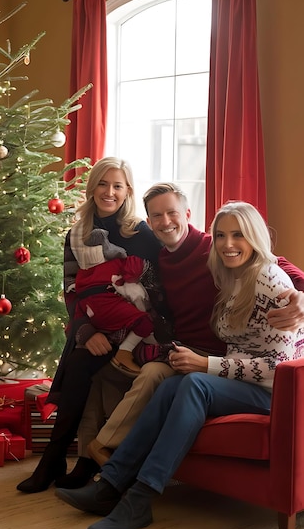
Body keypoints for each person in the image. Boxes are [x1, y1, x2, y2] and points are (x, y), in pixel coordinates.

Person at [56, 201, 304, 529]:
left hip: (275, 393)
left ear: (255, 237)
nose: (228, 244)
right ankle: (111, 484)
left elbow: (278, 370)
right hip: (243, 382)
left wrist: (206, 364)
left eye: (238, 235)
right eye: (221, 235)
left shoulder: (269, 280)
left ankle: (140, 499)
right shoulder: (230, 274)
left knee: (194, 384)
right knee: (171, 386)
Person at [77, 183, 304, 469]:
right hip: (184, 347)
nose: (166, 222)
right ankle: (100, 455)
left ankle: (108, 452)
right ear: (150, 223)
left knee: (152, 375)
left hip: (220, 353)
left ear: (187, 213)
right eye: (157, 216)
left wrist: (302, 296)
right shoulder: (159, 259)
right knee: (117, 370)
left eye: (172, 213)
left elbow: (274, 263)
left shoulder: (217, 247)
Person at [16, 157, 165, 493]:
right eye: (103, 183)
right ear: (92, 186)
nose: (109, 192)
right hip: (94, 323)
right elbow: (71, 289)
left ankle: (74, 460)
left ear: (127, 191)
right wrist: (87, 330)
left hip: (137, 327)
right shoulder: (77, 233)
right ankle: (59, 459)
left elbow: (157, 286)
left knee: (82, 366)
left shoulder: (140, 232)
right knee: (80, 358)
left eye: (117, 186)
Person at [73, 226, 156, 375]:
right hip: (101, 315)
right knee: (146, 322)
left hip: (91, 313)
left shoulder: (82, 273)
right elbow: (135, 265)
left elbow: (75, 294)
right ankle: (125, 351)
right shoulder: (115, 262)